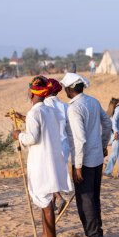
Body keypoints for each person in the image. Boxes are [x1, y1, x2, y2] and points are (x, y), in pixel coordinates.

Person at [13, 76, 72, 237]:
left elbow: (32, 138)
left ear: (32, 93)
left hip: (40, 164)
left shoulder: (34, 112)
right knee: (45, 202)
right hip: (52, 160)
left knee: (45, 203)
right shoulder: (50, 111)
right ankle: (46, 235)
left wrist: (18, 135)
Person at [60, 73, 112, 237]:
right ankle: (98, 233)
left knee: (85, 200)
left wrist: (77, 166)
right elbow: (108, 123)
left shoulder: (74, 108)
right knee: (94, 197)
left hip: (85, 162)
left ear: (69, 89)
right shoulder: (93, 101)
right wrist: (104, 145)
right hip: (97, 158)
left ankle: (94, 235)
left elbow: (80, 139)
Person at [45, 78, 73, 214]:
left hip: (51, 145)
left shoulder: (44, 104)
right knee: (55, 173)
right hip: (64, 144)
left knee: (49, 173)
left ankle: (58, 198)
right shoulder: (65, 106)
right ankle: (53, 204)